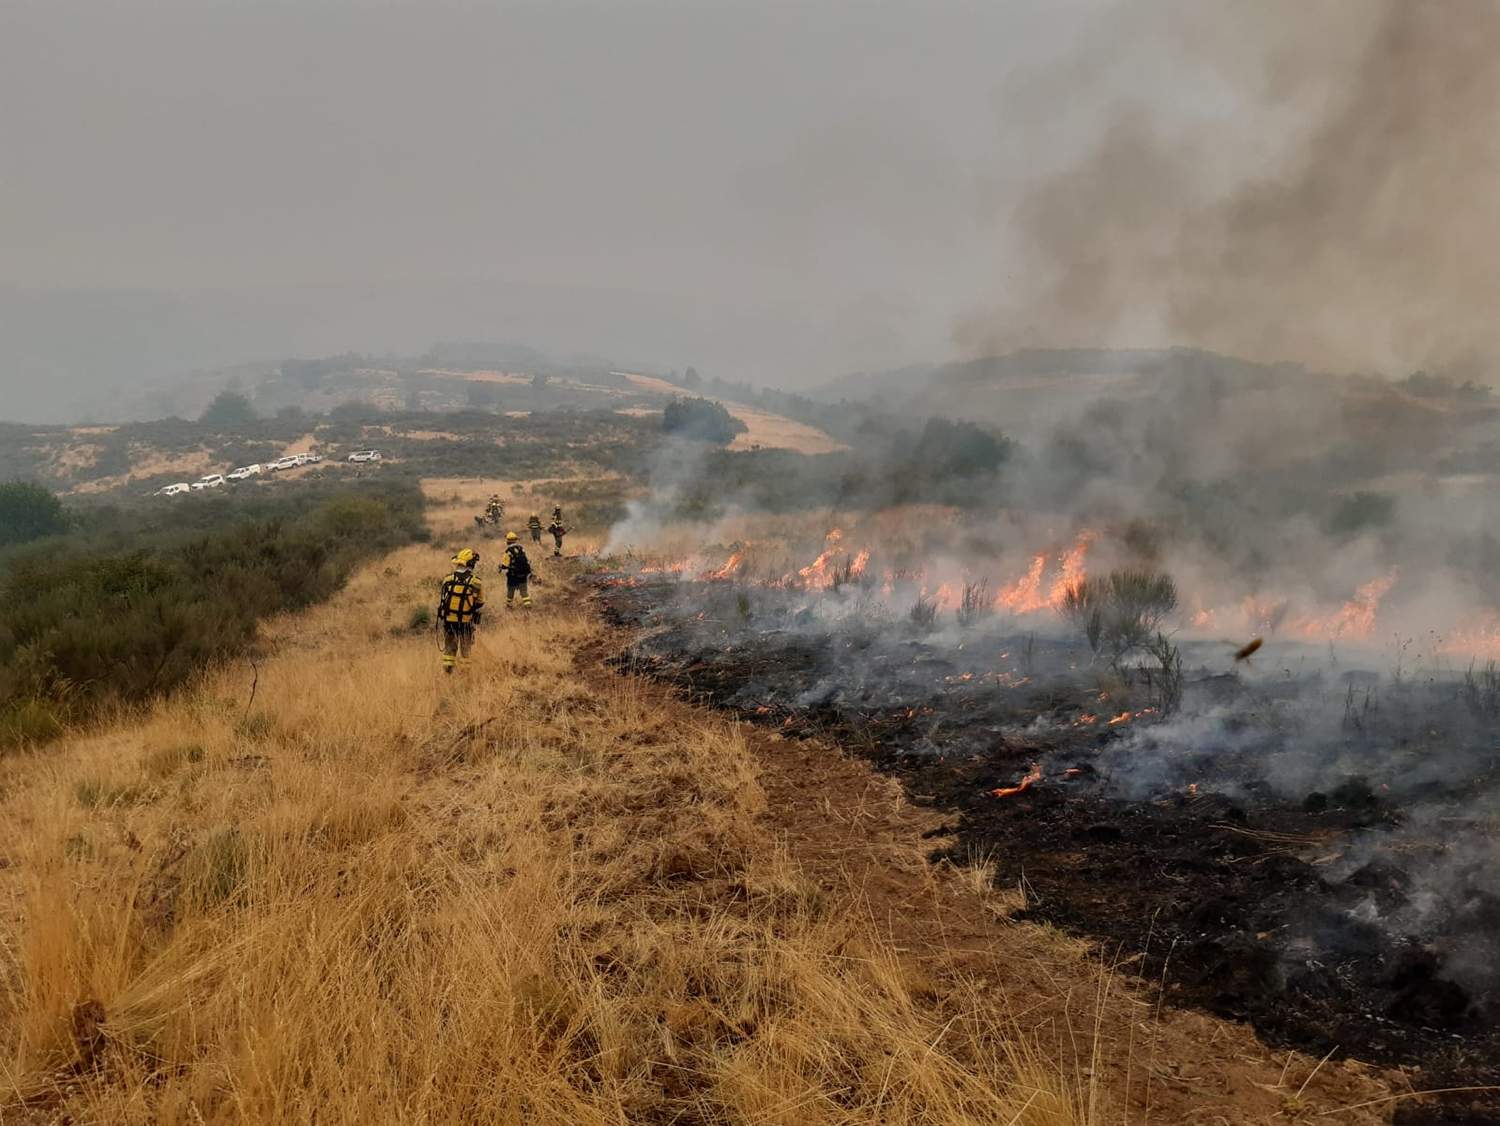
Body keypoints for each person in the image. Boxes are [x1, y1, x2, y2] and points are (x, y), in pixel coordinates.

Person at [437, 548, 484, 673]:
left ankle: (447, 672)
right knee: (465, 649)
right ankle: (465, 674)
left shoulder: (447, 579)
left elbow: (443, 599)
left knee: (449, 650)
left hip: (449, 620)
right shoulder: (476, 582)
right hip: (466, 621)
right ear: (471, 564)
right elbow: (480, 602)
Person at [499, 531, 533, 608]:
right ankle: (528, 606)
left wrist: (501, 567)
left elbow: (505, 565)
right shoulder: (521, 548)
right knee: (524, 591)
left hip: (513, 574)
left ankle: (509, 606)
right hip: (523, 573)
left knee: (510, 590)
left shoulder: (508, 551)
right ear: (515, 540)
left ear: (508, 540)